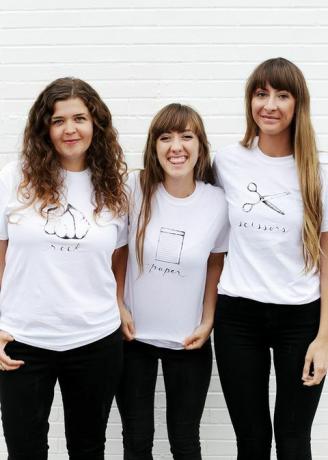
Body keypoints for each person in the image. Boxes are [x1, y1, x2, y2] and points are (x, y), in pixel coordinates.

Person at [0, 77, 128, 460]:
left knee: (88, 448)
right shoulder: (15, 177)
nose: (70, 129)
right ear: (45, 128)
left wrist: (118, 305)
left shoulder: (114, 187)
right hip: (23, 340)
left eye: (80, 118)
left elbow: (118, 259)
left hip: (95, 340)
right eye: (58, 121)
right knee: (25, 449)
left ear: (96, 124)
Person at [213, 57, 328, 460]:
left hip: (301, 318)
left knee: (294, 441)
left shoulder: (317, 173)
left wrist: (325, 338)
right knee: (252, 441)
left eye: (282, 95)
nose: (270, 105)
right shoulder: (226, 162)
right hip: (237, 316)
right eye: (261, 94)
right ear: (250, 101)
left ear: (298, 105)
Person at [116, 103, 229, 460]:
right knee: (136, 440)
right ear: (154, 146)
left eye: (186, 136)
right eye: (165, 137)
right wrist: (118, 305)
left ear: (200, 146)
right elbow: (116, 252)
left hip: (188, 342)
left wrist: (208, 320)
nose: (175, 146)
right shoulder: (134, 188)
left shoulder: (217, 202)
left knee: (185, 441)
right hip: (132, 338)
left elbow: (215, 263)